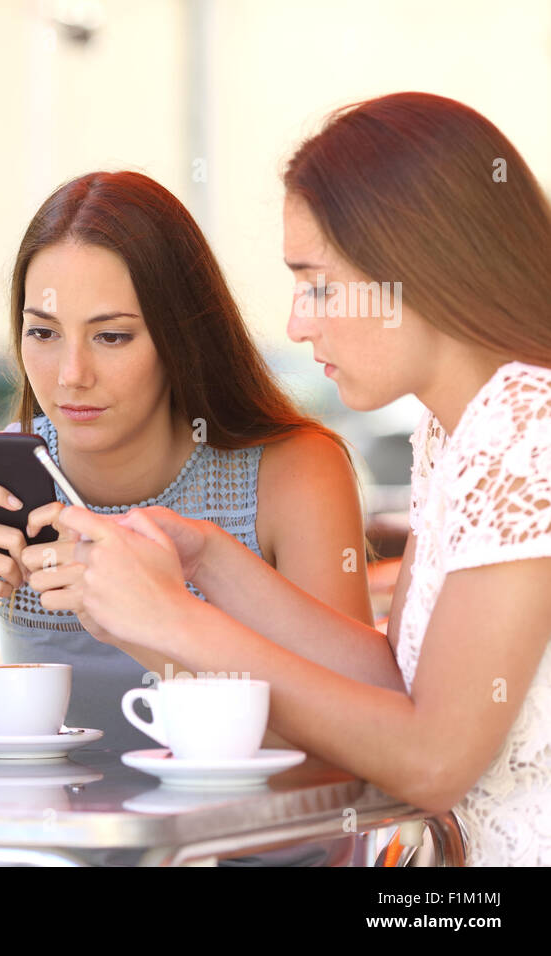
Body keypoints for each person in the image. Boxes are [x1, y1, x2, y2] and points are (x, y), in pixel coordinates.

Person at [41, 93, 551, 866]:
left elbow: (435, 760)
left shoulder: (526, 426)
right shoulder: (457, 432)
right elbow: (394, 684)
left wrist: (175, 621)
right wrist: (211, 560)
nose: (297, 323)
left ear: (411, 271)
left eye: (315, 284)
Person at [0, 170, 373, 755]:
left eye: (112, 337)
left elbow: (362, 734)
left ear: (183, 337)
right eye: (44, 333)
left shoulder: (292, 474)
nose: (71, 376)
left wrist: (147, 619)